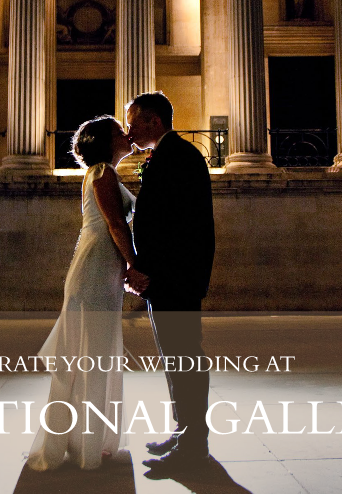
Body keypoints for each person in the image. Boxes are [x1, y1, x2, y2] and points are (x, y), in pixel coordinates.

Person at [27, 115, 148, 471]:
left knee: (92, 352)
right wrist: (134, 265)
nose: (126, 134)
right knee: (92, 353)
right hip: (97, 264)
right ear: (106, 140)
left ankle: (83, 439)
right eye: (118, 131)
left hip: (100, 264)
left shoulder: (102, 172)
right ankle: (85, 444)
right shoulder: (102, 173)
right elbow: (114, 223)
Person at [125, 91, 215, 474]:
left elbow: (178, 229)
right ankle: (184, 433)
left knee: (185, 360)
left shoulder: (178, 157)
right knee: (176, 360)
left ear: (153, 122)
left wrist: (148, 271)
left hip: (174, 279)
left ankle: (193, 444)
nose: (129, 129)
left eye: (133, 121)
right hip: (168, 279)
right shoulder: (167, 155)